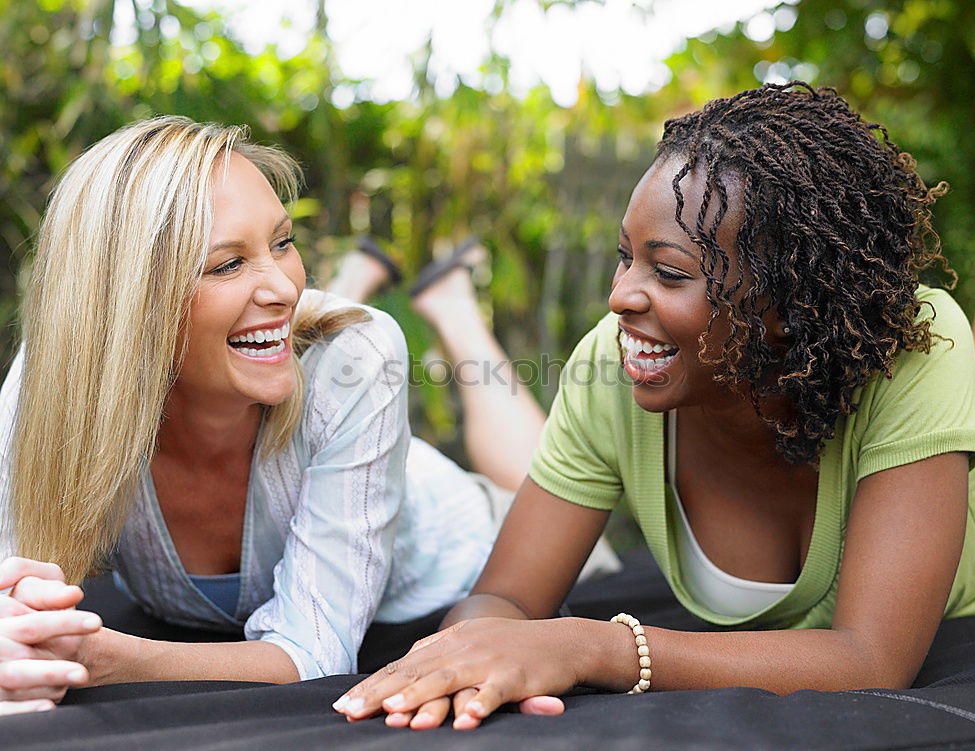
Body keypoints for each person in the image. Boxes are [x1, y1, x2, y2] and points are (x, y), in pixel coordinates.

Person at [334, 82, 975, 731]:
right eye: (626, 258)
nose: (621, 295)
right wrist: (476, 656)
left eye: (670, 272)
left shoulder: (910, 343)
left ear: (792, 299)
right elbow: (505, 595)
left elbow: (870, 656)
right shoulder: (611, 365)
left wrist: (589, 646)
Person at [0, 116, 608, 714]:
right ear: (130, 300)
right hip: (330, 434)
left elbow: (314, 652)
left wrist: (109, 659)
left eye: (283, 242)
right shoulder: (58, 380)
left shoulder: (361, 356)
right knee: (309, 339)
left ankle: (456, 311)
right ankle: (362, 290)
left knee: (536, 487)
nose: (287, 286)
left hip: (460, 529)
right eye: (227, 263)